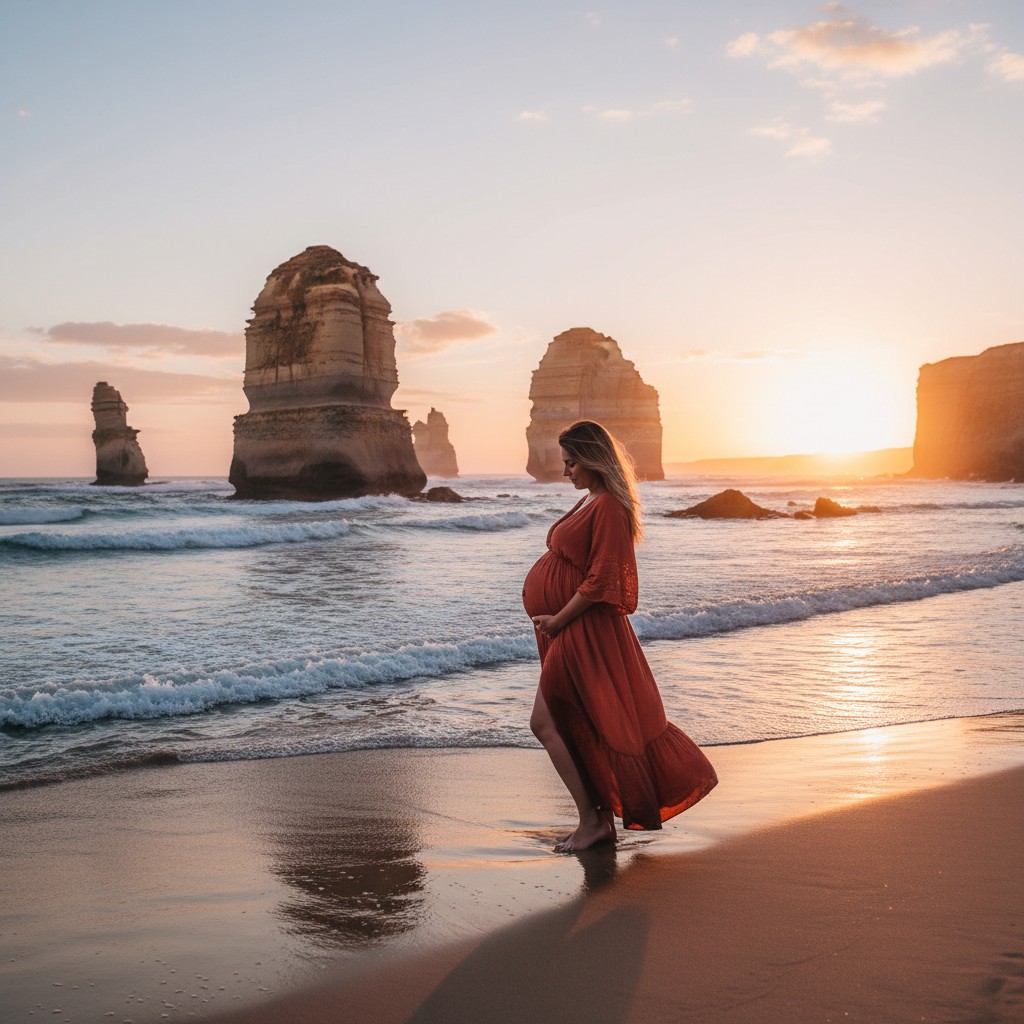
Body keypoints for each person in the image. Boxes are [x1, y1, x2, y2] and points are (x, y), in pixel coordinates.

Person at [523, 420, 718, 852]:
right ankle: (598, 822)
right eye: (565, 463)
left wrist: (558, 620)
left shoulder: (609, 505)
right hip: (568, 630)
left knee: (546, 722)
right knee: (579, 723)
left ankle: (591, 822)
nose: (566, 472)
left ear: (593, 460)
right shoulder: (591, 501)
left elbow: (603, 579)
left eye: (572, 463)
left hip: (581, 630)